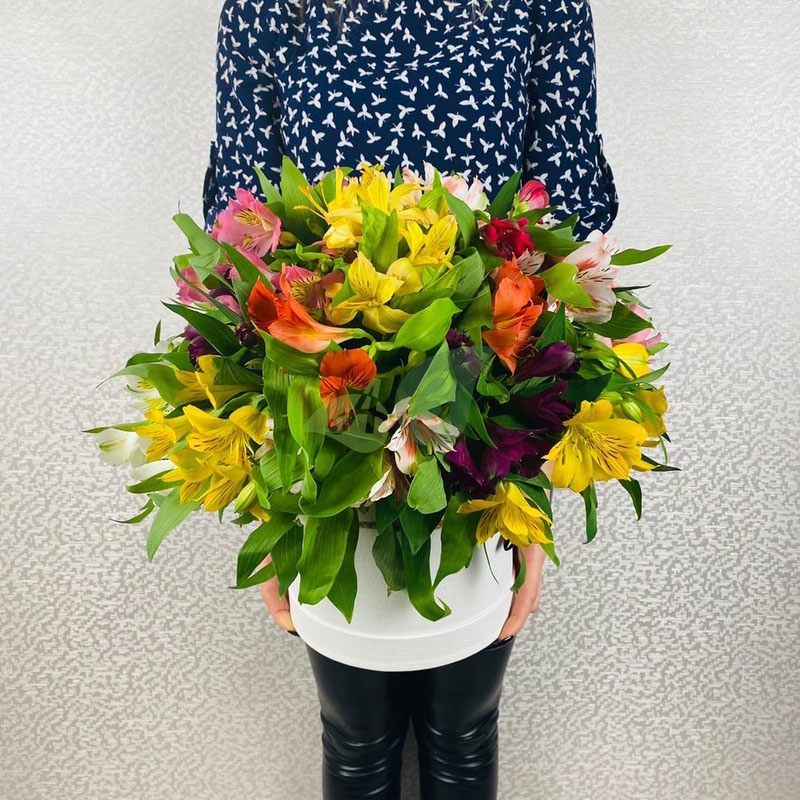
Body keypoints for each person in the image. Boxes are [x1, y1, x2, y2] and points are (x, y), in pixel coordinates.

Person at [201, 0, 618, 797]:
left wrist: (529, 504)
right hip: (325, 444)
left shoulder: (545, 8)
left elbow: (560, 249)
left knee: (463, 733)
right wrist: (270, 504)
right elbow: (244, 253)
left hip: (485, 440)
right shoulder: (270, 10)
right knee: (355, 739)